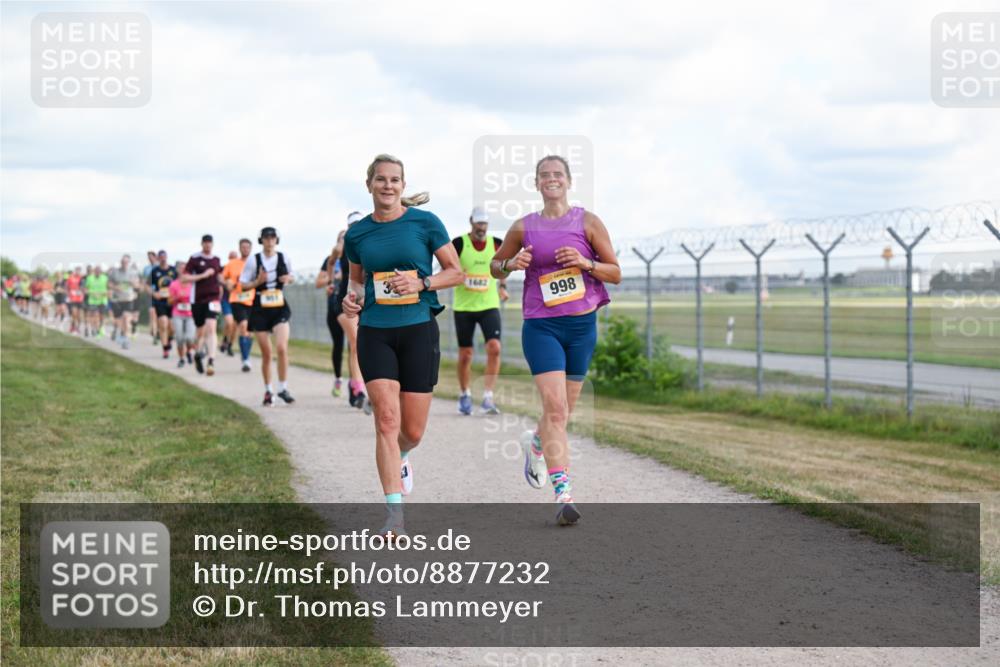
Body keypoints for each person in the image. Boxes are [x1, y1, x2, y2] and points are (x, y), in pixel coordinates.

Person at [490, 155, 621, 526]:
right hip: (542, 326)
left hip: (581, 328)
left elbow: (616, 273)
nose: (551, 180)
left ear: (568, 181)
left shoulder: (588, 222)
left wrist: (585, 262)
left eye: (557, 174)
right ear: (536, 184)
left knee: (560, 413)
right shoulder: (524, 226)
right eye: (544, 175)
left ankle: (536, 443)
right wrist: (510, 265)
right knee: (557, 410)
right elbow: (494, 266)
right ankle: (564, 494)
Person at [342, 154, 463, 537]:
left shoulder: (425, 223)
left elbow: (456, 272)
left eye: (395, 180)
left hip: (418, 331)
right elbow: (357, 283)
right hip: (376, 331)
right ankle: (395, 514)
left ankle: (404, 455)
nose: (388, 186)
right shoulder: (358, 234)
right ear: (369, 185)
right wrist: (351, 300)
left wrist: (422, 283)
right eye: (381, 179)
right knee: (387, 421)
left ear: (403, 185)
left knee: (411, 431)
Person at [451, 205, 508, 415]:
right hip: (464, 307)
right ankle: (464, 393)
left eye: (484, 223)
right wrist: (457, 274)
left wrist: (502, 286)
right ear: (471, 222)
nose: (481, 227)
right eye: (478, 223)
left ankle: (488, 397)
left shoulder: (497, 244)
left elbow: (505, 266)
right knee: (466, 354)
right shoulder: (458, 244)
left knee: (495, 348)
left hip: (489, 305)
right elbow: (447, 265)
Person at [239, 226, 295, 406]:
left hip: (279, 307)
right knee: (267, 353)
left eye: (272, 237)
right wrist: (258, 282)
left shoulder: (283, 257)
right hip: (260, 308)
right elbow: (242, 285)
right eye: (266, 237)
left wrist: (288, 279)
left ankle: (283, 388)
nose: (269, 240)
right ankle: (268, 390)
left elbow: (291, 276)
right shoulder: (253, 261)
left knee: (281, 348)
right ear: (261, 240)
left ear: (276, 240)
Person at [316, 213, 359, 399]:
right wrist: (331, 280)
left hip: (361, 300)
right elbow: (323, 276)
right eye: (352, 225)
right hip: (339, 302)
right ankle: (345, 381)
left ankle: (354, 384)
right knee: (342, 344)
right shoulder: (339, 249)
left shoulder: (366, 244)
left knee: (355, 345)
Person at [182, 234, 223, 376]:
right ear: (201, 244)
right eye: (205, 243)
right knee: (200, 332)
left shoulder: (217, 260)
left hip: (213, 298)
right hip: (197, 299)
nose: (207, 245)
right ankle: (198, 354)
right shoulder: (194, 259)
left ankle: (211, 361)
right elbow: (184, 277)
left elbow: (220, 277)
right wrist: (202, 276)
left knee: (211, 328)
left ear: (212, 244)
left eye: (210, 243)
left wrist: (226, 284)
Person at [221, 239, 255, 372]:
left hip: (252, 300)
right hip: (237, 299)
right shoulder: (232, 264)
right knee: (243, 326)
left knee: (250, 332)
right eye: (243, 247)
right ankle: (245, 359)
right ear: (240, 248)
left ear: (250, 249)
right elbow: (222, 277)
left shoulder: (255, 263)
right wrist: (227, 283)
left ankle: (246, 354)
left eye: (247, 247)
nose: (245, 249)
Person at [108, 254, 141, 349]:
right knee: (119, 321)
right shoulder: (115, 272)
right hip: (117, 299)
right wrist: (115, 287)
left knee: (126, 318)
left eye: (126, 262)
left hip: (129, 299)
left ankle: (126, 340)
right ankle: (119, 333)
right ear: (120, 262)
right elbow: (109, 283)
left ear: (129, 262)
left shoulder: (133, 272)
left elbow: (138, 285)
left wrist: (133, 284)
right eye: (123, 262)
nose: (124, 264)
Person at [150, 250, 178, 359]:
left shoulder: (173, 270)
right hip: (160, 301)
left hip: (172, 301)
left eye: (164, 256)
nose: (163, 258)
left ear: (167, 257)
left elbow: (178, 283)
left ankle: (170, 339)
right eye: (160, 257)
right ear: (158, 258)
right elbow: (148, 286)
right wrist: (154, 293)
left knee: (172, 326)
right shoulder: (154, 271)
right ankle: (165, 348)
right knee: (163, 323)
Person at [169, 261, 197, 368]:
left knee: (189, 338)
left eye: (185, 268)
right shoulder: (174, 284)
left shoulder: (193, 284)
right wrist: (177, 297)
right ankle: (181, 359)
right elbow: (169, 301)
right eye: (181, 268)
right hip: (178, 314)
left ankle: (189, 352)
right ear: (177, 270)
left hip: (191, 314)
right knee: (180, 338)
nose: (183, 270)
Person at [219, 250, 238, 357]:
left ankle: (230, 345)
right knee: (229, 322)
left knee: (235, 326)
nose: (233, 260)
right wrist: (225, 283)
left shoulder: (242, 268)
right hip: (226, 299)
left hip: (238, 300)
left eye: (235, 258)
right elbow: (219, 280)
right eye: (231, 258)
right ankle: (225, 340)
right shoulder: (224, 269)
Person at [84, 265, 109, 337]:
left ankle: (100, 327)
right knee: (95, 315)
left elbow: (109, 288)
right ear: (94, 271)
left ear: (101, 272)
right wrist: (91, 293)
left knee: (102, 316)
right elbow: (85, 289)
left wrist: (106, 293)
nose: (97, 272)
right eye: (96, 271)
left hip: (102, 300)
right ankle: (95, 329)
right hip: (92, 301)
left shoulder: (105, 278)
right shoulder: (89, 278)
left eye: (99, 271)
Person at [142, 250, 158, 343]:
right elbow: (144, 282)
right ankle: (154, 333)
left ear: (155, 257)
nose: (149, 259)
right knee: (152, 313)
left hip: (160, 293)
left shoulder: (159, 267)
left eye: (151, 257)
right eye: (148, 257)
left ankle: (156, 330)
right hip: (150, 293)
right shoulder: (146, 268)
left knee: (159, 315)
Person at [66, 267, 85, 334]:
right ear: (75, 271)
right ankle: (73, 327)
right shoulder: (70, 277)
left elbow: (85, 288)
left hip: (80, 299)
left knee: (79, 316)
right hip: (73, 298)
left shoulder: (82, 278)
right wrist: (68, 295)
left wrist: (82, 290)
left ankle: (77, 327)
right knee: (74, 314)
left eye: (79, 271)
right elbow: (67, 286)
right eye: (77, 271)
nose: (78, 272)